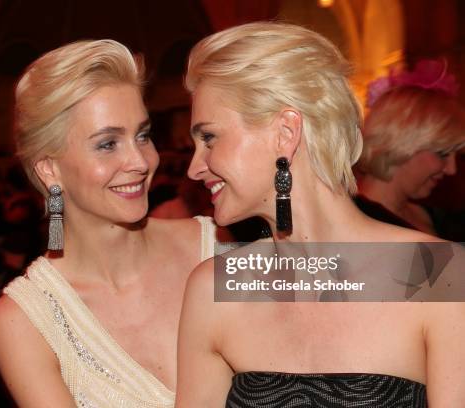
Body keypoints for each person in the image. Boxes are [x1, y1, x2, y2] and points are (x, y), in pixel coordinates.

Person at [175, 22, 465, 407]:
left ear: (285, 132)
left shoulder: (438, 275)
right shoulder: (211, 289)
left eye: (209, 137)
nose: (195, 168)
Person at [0, 39, 217, 407]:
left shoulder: (213, 244)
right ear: (49, 169)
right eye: (108, 144)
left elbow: (341, 281)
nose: (141, 161)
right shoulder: (27, 320)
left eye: (142, 135)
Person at [356, 60, 465, 236]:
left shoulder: (432, 216)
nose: (452, 170)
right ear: (399, 144)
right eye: (442, 153)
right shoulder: (353, 223)